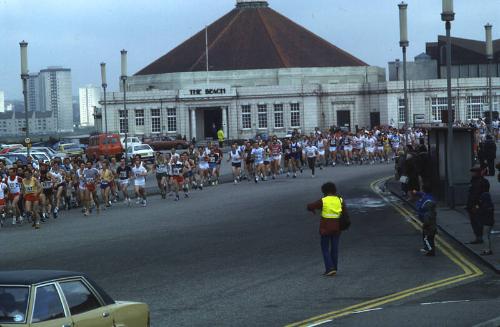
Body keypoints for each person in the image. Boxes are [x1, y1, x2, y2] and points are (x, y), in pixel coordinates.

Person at [306, 182, 348, 276]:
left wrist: (312, 210)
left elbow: (310, 206)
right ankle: (334, 267)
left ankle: (329, 268)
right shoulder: (340, 200)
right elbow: (345, 213)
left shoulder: (323, 200)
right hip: (337, 228)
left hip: (325, 228)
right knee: (334, 248)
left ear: (324, 191)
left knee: (325, 248)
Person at [466, 166, 490, 244]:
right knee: (474, 221)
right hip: (472, 205)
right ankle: (478, 237)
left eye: (474, 172)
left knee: (477, 221)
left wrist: (476, 205)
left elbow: (480, 195)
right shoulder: (474, 181)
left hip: (477, 206)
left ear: (478, 173)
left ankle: (479, 237)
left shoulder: (482, 182)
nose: (472, 173)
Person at [414, 185, 437, 256]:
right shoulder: (430, 197)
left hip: (427, 222)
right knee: (430, 236)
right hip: (432, 223)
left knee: (427, 237)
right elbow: (422, 194)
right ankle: (429, 248)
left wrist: (418, 202)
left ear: (424, 190)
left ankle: (430, 250)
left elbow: (420, 207)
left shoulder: (426, 201)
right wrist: (416, 192)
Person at [477, 182, 494, 255]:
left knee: (485, 236)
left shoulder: (484, 206)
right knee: (488, 236)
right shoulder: (490, 205)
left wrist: (478, 207)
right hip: (490, 222)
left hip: (486, 222)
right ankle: (488, 249)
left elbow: (480, 212)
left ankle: (487, 250)